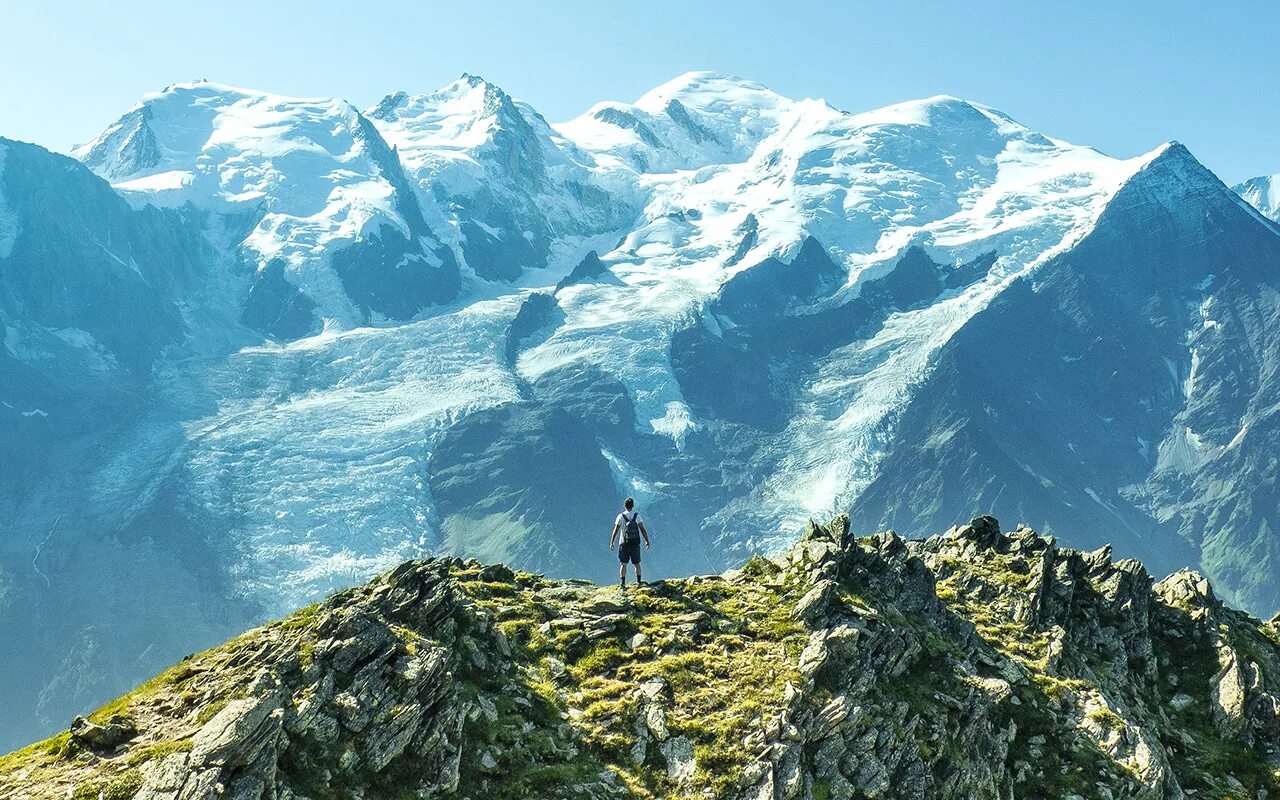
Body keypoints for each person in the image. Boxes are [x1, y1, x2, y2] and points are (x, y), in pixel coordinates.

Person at [609, 497, 650, 588]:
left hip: (623, 543)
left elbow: (615, 530)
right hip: (635, 543)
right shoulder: (637, 516)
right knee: (637, 564)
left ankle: (623, 583)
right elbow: (642, 529)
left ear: (625, 505)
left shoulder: (621, 516)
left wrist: (612, 542)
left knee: (623, 564)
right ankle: (639, 582)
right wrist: (647, 541)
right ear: (633, 505)